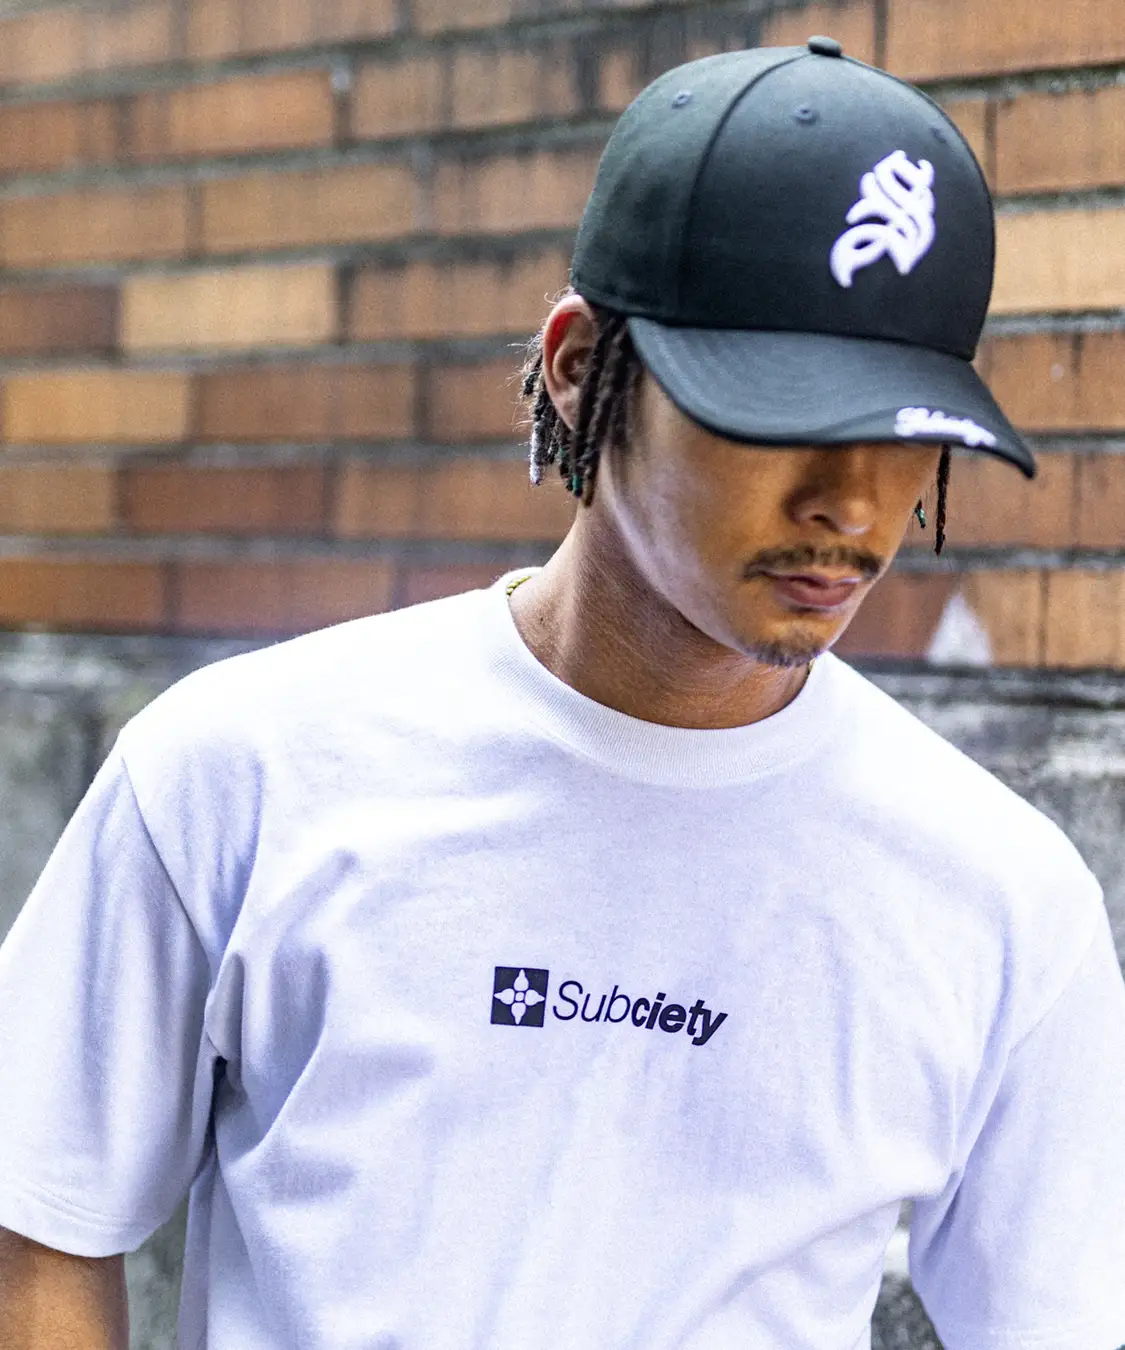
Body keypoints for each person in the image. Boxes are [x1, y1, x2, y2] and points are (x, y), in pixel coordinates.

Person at [1, 38, 1123, 1350]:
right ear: (581, 366)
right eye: (780, 413)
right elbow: (38, 1233)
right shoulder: (241, 770)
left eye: (907, 431)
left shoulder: (996, 893)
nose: (854, 503)